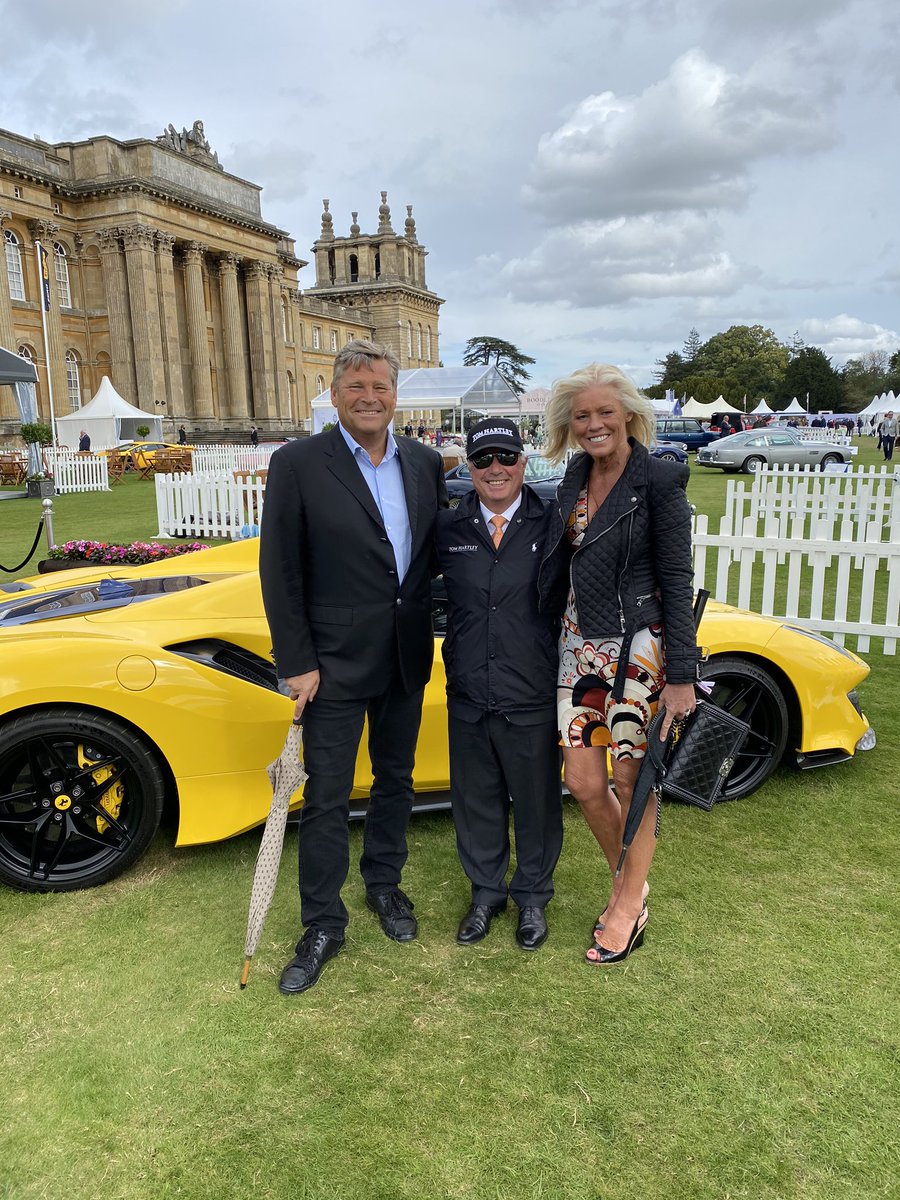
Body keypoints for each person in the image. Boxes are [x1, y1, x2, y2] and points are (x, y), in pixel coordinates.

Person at [259, 339, 448, 995]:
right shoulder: (298, 463)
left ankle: (385, 887)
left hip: (404, 655)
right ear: (335, 396)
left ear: (397, 395)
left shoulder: (425, 462)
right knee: (330, 795)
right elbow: (279, 569)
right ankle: (322, 923)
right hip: (330, 665)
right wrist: (297, 661)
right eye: (357, 387)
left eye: (381, 387)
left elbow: (432, 562)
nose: (370, 398)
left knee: (396, 779)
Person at [537, 364, 700, 965]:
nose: (594, 424)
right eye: (582, 415)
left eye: (605, 412)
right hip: (580, 647)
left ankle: (628, 903)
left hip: (640, 648)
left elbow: (677, 580)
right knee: (582, 781)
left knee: (632, 781)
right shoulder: (573, 478)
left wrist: (681, 675)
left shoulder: (659, 480)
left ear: (628, 414)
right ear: (569, 425)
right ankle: (627, 877)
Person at [436, 418, 563, 951]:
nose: (496, 469)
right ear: (469, 465)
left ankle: (531, 895)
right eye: (483, 458)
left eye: (506, 458)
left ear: (523, 461)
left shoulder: (552, 522)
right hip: (468, 688)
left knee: (535, 800)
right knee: (476, 799)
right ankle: (486, 893)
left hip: (530, 688)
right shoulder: (448, 528)